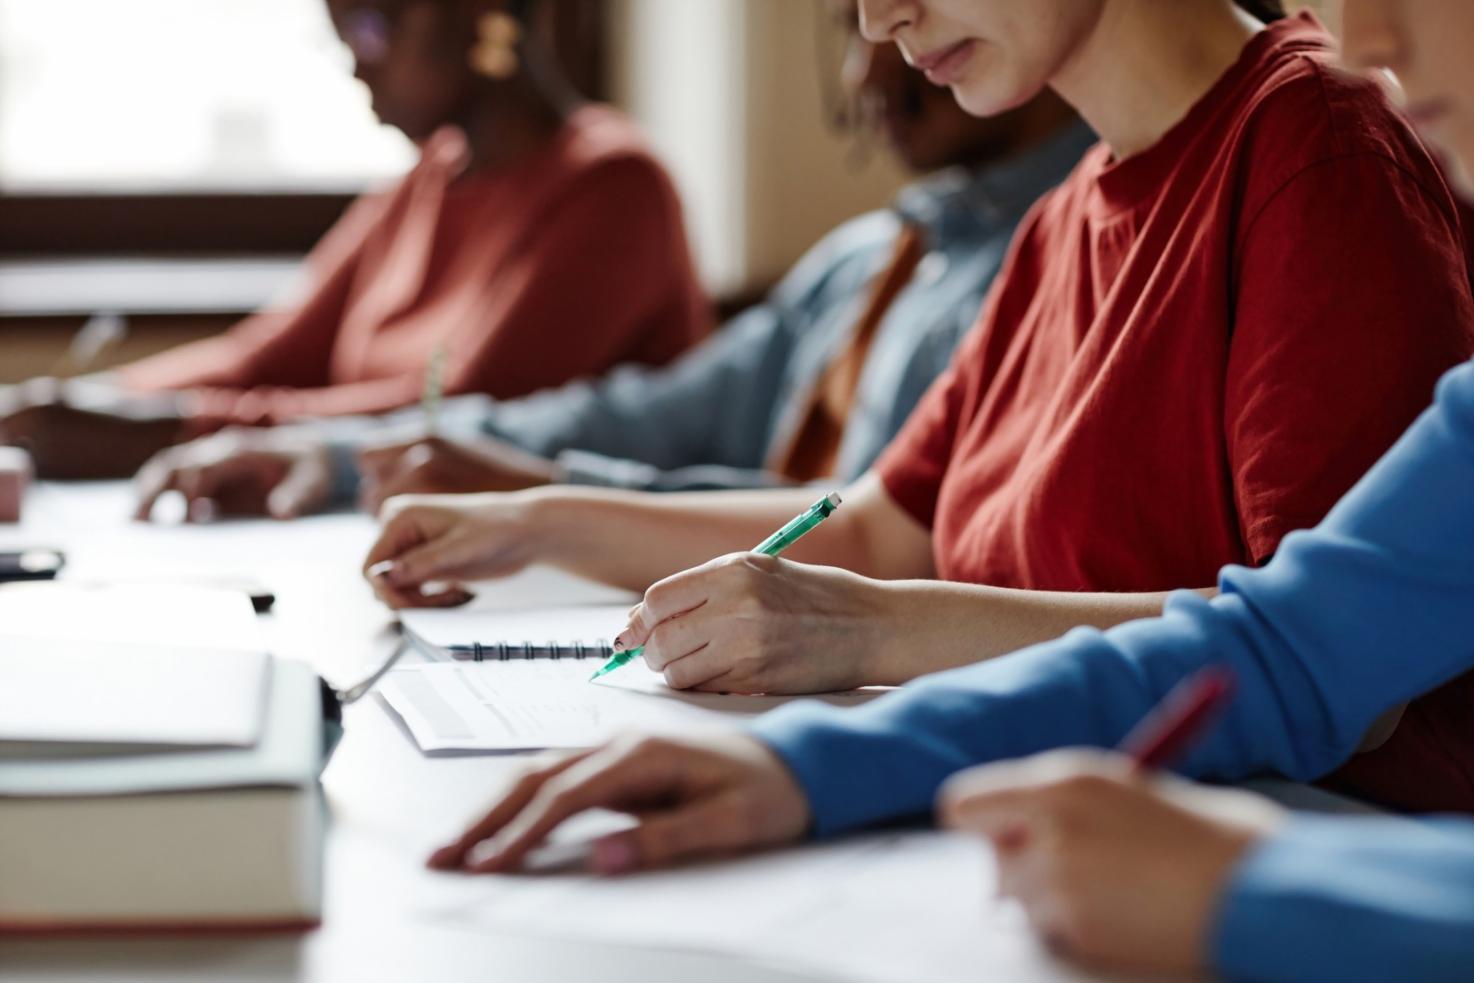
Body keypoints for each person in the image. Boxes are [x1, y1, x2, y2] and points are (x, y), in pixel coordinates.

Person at [422, 2, 1474, 977]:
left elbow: (1334, 675)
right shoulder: (1059, 220)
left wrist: (869, 637)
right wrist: (806, 764)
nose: (880, 19)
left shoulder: (1321, 145)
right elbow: (891, 526)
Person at [126, 7, 1093, 521]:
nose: (872, 55)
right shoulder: (869, 257)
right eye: (849, 24)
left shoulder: (1059, 257)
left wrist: (550, 493)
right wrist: (342, 457)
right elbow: (648, 415)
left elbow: (882, 530)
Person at [0, 0, 708, 481]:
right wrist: (66, 402)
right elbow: (264, 355)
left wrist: (168, 430)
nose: (355, 63)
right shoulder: (427, 179)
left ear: (476, 13)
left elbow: (460, 418)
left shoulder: (616, 187)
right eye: (339, 35)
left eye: (370, 27)